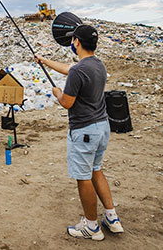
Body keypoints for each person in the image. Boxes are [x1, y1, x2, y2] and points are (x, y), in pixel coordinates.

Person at [36, 24, 122, 240]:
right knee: (96, 170)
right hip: (102, 127)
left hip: (84, 130)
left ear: (77, 42)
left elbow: (67, 102)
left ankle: (91, 226)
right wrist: (45, 61)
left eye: (73, 40)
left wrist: (57, 93)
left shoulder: (78, 71)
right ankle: (111, 217)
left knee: (83, 178)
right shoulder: (98, 65)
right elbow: (70, 68)